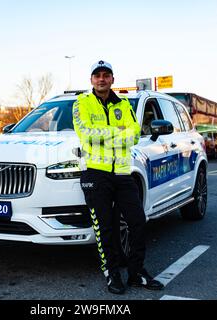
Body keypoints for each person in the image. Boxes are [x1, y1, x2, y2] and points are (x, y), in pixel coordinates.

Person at [72, 60, 164, 294]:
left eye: (106, 75)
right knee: (104, 228)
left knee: (137, 221)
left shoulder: (123, 104)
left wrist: (107, 135)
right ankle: (112, 273)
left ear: (113, 79)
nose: (102, 79)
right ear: (91, 80)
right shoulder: (81, 103)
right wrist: (117, 132)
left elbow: (133, 135)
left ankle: (136, 272)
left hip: (123, 173)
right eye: (97, 75)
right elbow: (86, 135)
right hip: (95, 173)